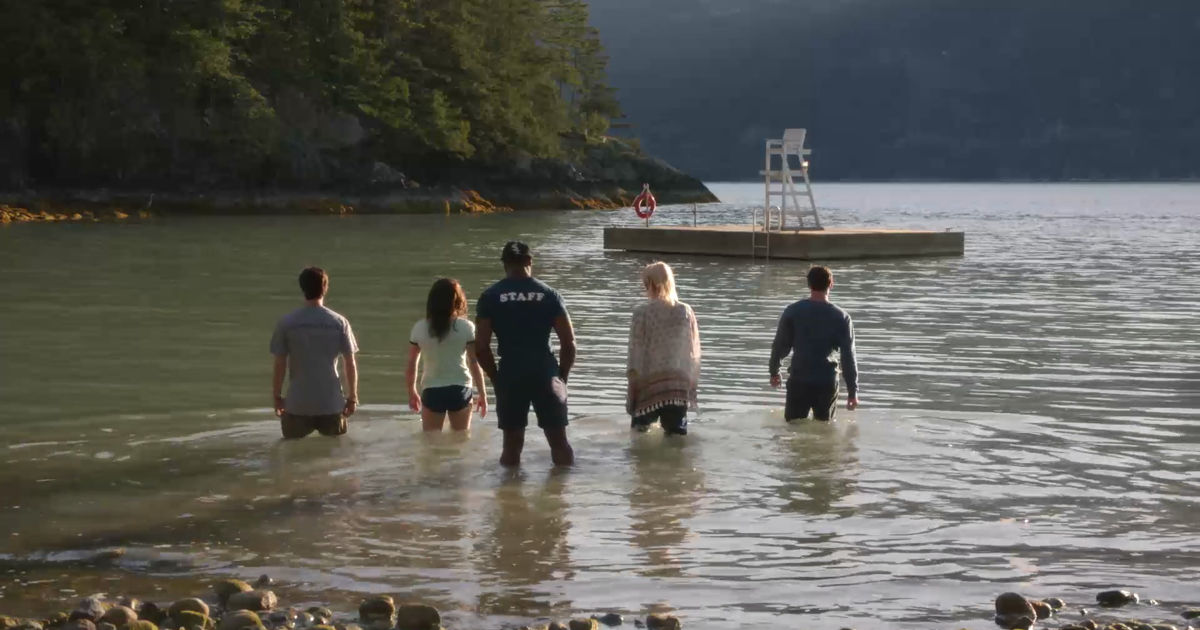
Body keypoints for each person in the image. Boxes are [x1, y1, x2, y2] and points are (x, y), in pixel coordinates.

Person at [475, 241, 576, 467]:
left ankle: (510, 488)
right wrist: (562, 377)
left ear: (504, 264)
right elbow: (568, 343)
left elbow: (481, 347)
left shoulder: (490, 296)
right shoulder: (550, 295)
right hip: (545, 371)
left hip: (511, 372)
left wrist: (496, 379)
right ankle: (565, 488)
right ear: (530, 261)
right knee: (559, 443)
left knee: (511, 446)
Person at [270, 267, 359, 438]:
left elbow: (280, 363)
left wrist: (277, 397)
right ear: (325, 288)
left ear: (302, 288)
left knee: (291, 451)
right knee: (337, 451)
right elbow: (350, 363)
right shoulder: (339, 323)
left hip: (298, 403)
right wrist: (352, 397)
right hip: (331, 403)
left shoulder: (287, 323)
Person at [768, 265, 859, 421]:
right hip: (826, 382)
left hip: (799, 379)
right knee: (824, 429)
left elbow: (780, 346)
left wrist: (774, 371)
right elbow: (848, 357)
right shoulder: (842, 317)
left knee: (794, 427)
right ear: (831, 284)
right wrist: (853, 391)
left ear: (809, 284)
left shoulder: (792, 312)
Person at [626, 262, 701, 436]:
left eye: (646, 284)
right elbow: (693, 353)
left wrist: (632, 388)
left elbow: (635, 354)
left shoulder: (642, 313)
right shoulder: (686, 311)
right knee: (676, 439)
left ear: (652, 284)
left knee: (639, 437)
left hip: (648, 386)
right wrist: (691, 385)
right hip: (677, 386)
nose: (645, 289)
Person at [406, 278, 488, 431]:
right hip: (460, 389)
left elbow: (412, 363)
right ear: (457, 301)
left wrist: (412, 392)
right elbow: (474, 362)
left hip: (432, 390)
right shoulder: (466, 327)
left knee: (430, 441)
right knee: (461, 439)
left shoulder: (420, 328)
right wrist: (482, 394)